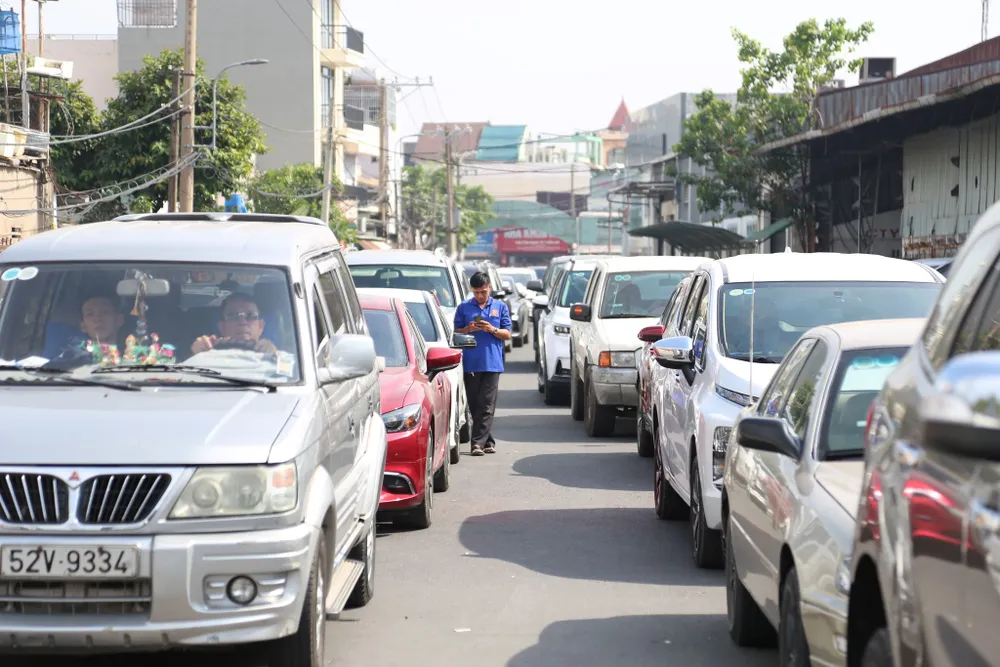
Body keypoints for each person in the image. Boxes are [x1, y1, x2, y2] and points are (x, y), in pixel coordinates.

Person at [453, 271, 512, 456]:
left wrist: (491, 329)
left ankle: (476, 443)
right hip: (471, 362)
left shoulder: (500, 307)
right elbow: (455, 333)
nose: (480, 295)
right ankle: (488, 440)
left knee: (487, 404)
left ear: (490, 289)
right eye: (477, 292)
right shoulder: (463, 308)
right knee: (475, 404)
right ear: (472, 290)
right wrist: (468, 329)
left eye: (484, 292)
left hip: (492, 363)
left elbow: (507, 334)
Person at [190, 293, 278, 356]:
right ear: (221, 327)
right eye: (233, 316)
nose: (242, 322)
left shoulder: (275, 356)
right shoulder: (207, 353)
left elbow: (288, 372)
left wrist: (275, 357)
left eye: (250, 316)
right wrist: (194, 354)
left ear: (261, 326)